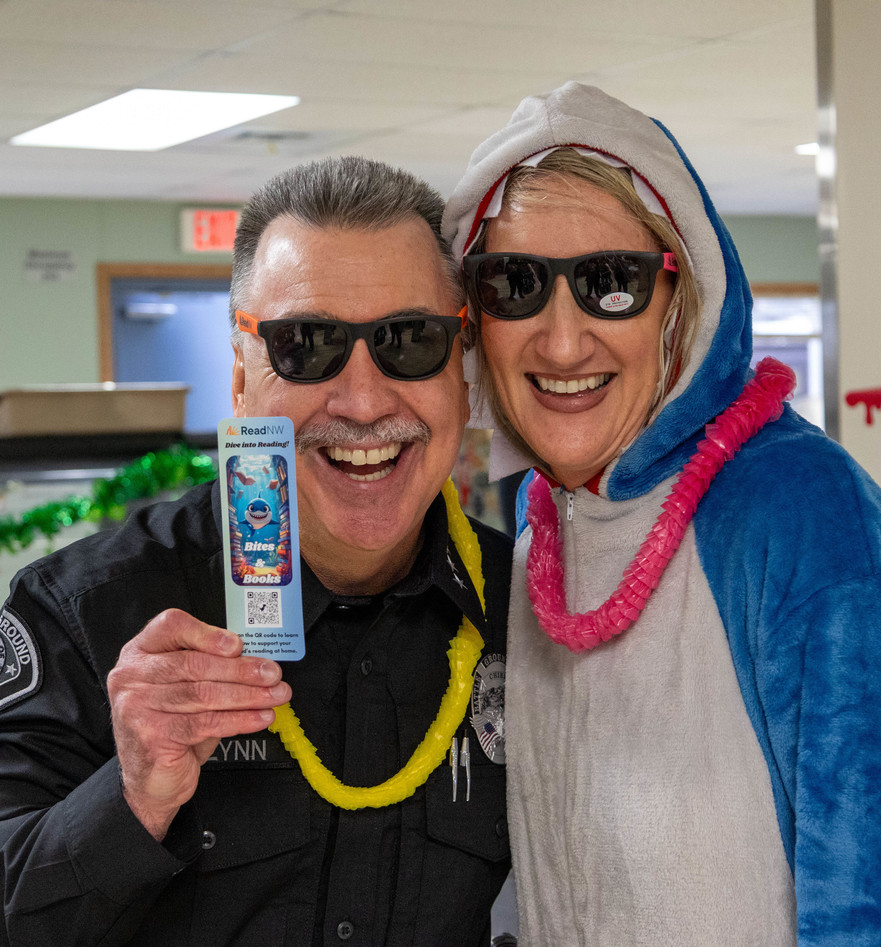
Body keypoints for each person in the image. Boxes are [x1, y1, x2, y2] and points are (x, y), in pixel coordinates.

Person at [443, 81, 881, 945]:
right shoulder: (543, 524)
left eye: (610, 283)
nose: (560, 340)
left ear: (682, 298)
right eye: (513, 283)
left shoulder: (802, 514)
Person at [0, 156, 512, 946]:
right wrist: (132, 795)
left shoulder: (525, 618)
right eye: (307, 344)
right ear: (242, 378)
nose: (366, 400)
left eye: (410, 340)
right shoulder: (84, 615)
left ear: (463, 374)